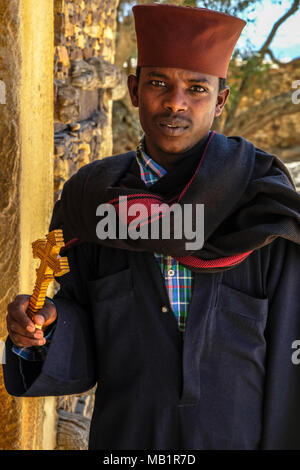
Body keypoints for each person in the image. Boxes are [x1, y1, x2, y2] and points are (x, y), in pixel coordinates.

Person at [3, 4, 300, 450]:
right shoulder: (92, 200)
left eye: (197, 88)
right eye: (159, 82)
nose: (176, 102)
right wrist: (46, 325)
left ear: (220, 101)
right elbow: (82, 330)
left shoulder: (258, 202)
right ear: (134, 89)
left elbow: (289, 350)